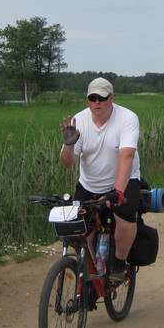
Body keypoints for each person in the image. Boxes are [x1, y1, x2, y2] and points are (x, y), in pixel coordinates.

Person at [59, 77, 141, 282]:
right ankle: (91, 271)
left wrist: (119, 191)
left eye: (101, 98)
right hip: (89, 183)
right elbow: (66, 163)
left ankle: (120, 262)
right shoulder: (79, 121)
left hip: (123, 180)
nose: (97, 102)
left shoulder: (127, 118)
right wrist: (68, 145)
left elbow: (127, 156)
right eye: (92, 98)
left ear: (111, 98)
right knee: (79, 229)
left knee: (124, 216)